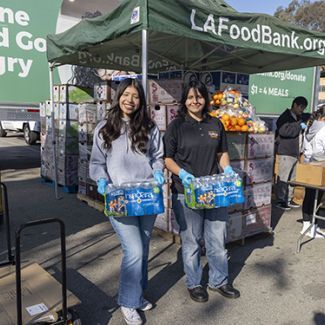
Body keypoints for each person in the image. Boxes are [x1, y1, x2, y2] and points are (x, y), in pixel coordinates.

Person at [89, 78, 165, 325]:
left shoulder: (149, 127)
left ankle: (137, 293)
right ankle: (128, 302)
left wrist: (158, 171)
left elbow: (157, 157)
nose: (130, 100)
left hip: (145, 196)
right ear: (118, 96)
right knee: (134, 251)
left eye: (135, 96)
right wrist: (101, 181)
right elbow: (97, 163)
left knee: (142, 250)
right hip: (120, 199)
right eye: (126, 95)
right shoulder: (105, 128)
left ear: (141, 101)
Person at [163, 80, 240, 303]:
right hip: (186, 192)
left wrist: (227, 169)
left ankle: (219, 280)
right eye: (190, 97)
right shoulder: (176, 126)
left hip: (214, 190)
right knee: (192, 241)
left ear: (205, 99)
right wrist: (183, 175)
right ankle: (195, 283)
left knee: (217, 238)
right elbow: (167, 158)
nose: (194, 101)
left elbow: (222, 153)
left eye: (198, 97)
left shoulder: (215, 124)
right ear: (184, 100)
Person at [275, 96, 308, 210]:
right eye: (300, 107)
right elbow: (284, 131)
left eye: (303, 108)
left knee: (292, 179)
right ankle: (280, 200)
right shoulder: (285, 117)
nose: (302, 110)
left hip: (295, 152)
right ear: (294, 104)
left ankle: (288, 199)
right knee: (284, 177)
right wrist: (299, 126)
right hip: (286, 152)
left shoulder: (298, 117)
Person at [300, 105, 325, 238]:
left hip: (309, 164)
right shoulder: (322, 128)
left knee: (310, 195)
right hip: (319, 165)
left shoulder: (312, 125)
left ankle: (308, 224)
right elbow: (320, 149)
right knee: (316, 197)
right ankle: (310, 226)